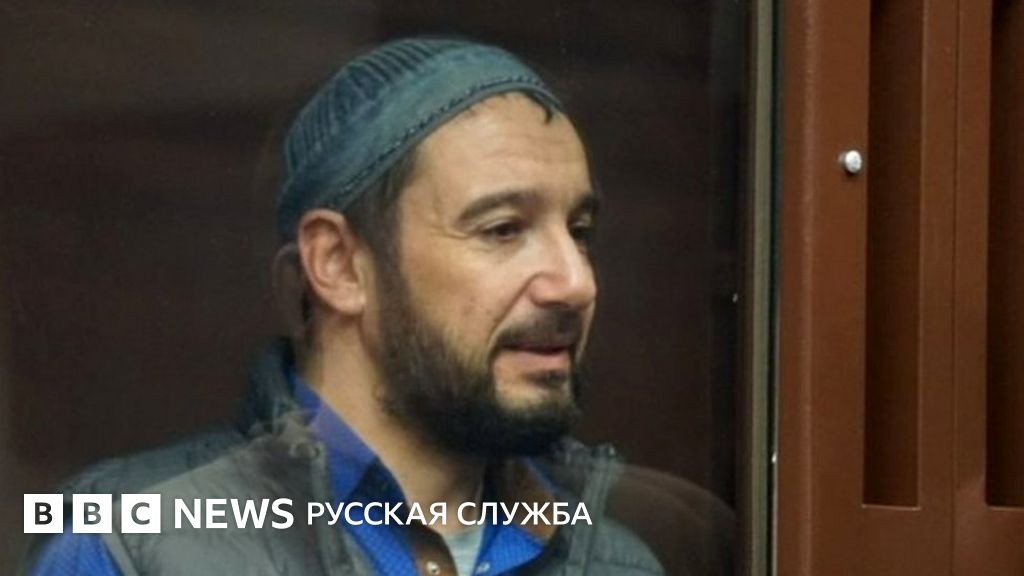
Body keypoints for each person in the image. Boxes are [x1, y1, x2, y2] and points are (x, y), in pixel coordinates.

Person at [25, 37, 732, 576]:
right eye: (502, 229)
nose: (574, 282)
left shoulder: (618, 560)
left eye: (580, 231)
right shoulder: (135, 545)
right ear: (338, 264)